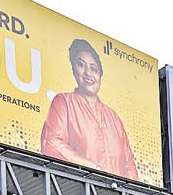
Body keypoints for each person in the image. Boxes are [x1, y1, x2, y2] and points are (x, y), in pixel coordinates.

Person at [40, 39, 139, 180]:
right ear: (73, 69)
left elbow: (129, 164)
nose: (88, 73)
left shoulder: (114, 118)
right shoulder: (64, 102)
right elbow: (51, 143)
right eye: (81, 65)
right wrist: (89, 168)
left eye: (93, 68)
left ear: (100, 74)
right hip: (77, 192)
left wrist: (129, 194)